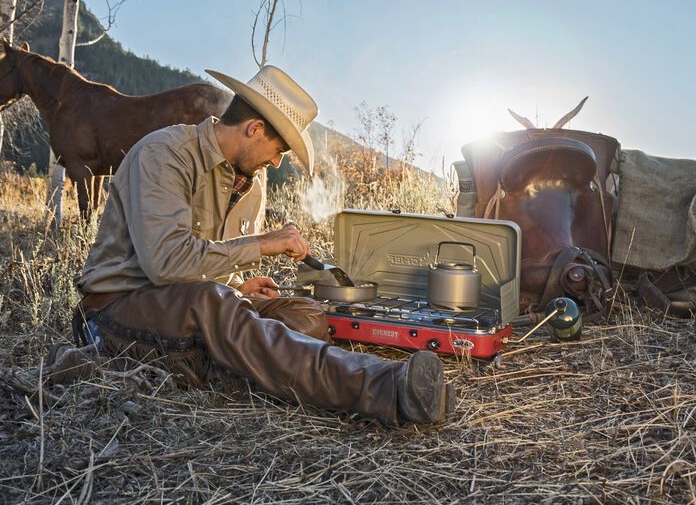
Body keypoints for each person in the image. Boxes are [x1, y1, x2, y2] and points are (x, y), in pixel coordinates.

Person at [73, 65, 455, 426]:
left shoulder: (251, 186)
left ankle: (222, 368)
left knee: (305, 314)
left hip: (194, 305)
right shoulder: (165, 154)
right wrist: (261, 245)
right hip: (119, 306)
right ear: (255, 128)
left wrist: (237, 286)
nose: (275, 163)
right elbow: (166, 264)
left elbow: (208, 267)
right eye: (278, 150)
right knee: (214, 303)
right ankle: (387, 387)